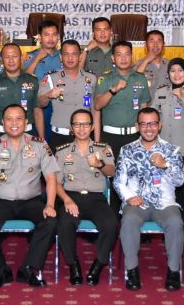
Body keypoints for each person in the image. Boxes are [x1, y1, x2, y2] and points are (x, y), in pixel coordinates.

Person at [0, 104, 59, 288]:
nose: (14, 123)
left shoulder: (39, 144)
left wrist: (50, 205)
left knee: (50, 222)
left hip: (31, 201)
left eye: (18, 119)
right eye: (9, 119)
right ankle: (1, 270)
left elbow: (51, 178)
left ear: (26, 122)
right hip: (0, 201)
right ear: (3, 122)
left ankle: (28, 268)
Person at [114, 107, 184, 291]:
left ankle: (173, 271)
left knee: (176, 222)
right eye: (144, 124)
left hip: (164, 202)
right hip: (137, 202)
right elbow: (118, 181)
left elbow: (179, 180)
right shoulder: (127, 150)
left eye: (153, 123)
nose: (148, 128)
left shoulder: (172, 150)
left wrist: (165, 165)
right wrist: (129, 197)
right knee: (128, 220)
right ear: (137, 126)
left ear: (160, 125)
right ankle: (132, 270)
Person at [54, 109, 116, 285]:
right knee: (64, 223)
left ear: (92, 127)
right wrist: (66, 200)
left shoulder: (103, 149)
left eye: (86, 124)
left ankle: (98, 265)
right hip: (71, 197)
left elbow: (111, 172)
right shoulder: (62, 151)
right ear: (71, 128)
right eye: (77, 124)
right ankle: (73, 265)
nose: (81, 128)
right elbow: (56, 183)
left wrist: (100, 164)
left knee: (111, 224)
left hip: (96, 199)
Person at [95, 41, 151, 213]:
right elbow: (97, 105)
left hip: (134, 137)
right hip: (111, 137)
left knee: (134, 176)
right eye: (119, 54)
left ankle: (134, 213)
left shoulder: (140, 78)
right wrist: (113, 90)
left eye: (127, 54)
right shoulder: (105, 78)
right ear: (113, 58)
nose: (123, 58)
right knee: (112, 177)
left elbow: (144, 108)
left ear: (132, 56)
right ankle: (112, 216)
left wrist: (145, 134)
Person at [38, 40, 99, 150]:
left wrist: (97, 140)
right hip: (59, 136)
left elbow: (95, 108)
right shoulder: (51, 78)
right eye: (66, 54)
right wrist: (48, 95)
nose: (70, 58)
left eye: (74, 54)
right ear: (61, 57)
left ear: (80, 56)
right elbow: (41, 103)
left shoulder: (91, 78)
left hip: (85, 135)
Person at [0, 43, 43, 139]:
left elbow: (38, 111)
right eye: (7, 57)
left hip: (27, 132)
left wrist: (41, 138)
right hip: (0, 133)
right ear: (1, 59)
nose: (11, 60)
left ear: (21, 58)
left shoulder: (32, 80)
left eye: (14, 56)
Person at [152, 57, 184, 153]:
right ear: (168, 74)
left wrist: (182, 98)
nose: (176, 74)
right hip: (164, 147)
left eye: (180, 70)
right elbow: (153, 115)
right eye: (173, 71)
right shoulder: (160, 91)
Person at [23, 20, 63, 140]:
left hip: (60, 104)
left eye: (54, 34)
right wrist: (37, 58)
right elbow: (24, 79)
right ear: (40, 37)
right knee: (39, 142)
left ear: (58, 36)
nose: (51, 38)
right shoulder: (30, 55)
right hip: (38, 106)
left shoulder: (63, 55)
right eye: (47, 35)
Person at [134, 30, 171, 98]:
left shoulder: (171, 65)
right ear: (146, 45)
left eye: (159, 41)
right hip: (147, 104)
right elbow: (133, 84)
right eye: (152, 41)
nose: (155, 45)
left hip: (167, 104)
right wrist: (146, 61)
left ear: (163, 45)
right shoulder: (138, 65)